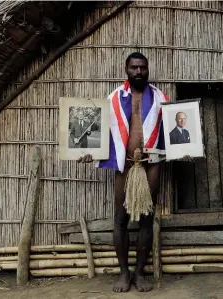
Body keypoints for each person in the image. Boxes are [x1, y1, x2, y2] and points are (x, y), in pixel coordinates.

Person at [77, 52, 168, 293]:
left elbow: (171, 132)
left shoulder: (160, 97)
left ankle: (139, 273)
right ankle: (124, 273)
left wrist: (184, 150)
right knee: (120, 218)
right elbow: (99, 131)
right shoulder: (114, 98)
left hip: (152, 162)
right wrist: (88, 151)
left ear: (148, 69)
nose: (139, 71)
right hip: (125, 164)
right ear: (126, 69)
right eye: (134, 67)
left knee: (147, 218)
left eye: (143, 67)